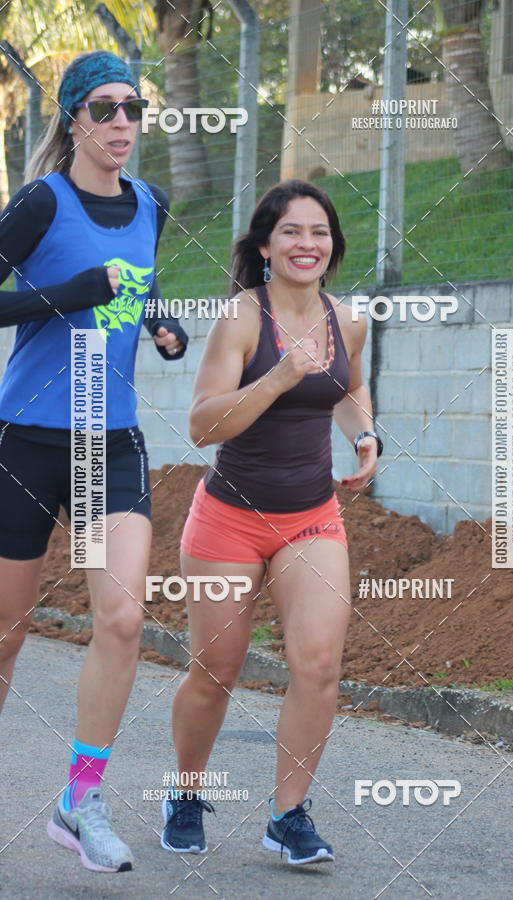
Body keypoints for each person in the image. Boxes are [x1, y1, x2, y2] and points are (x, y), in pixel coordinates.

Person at [0, 50, 188, 872]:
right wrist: (64, 296)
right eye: (105, 109)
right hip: (29, 438)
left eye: (133, 110)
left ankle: (80, 797)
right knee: (7, 633)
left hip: (110, 438)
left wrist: (160, 326)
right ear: (73, 117)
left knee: (121, 618)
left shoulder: (152, 201)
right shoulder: (40, 201)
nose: (122, 124)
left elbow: (135, 286)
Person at [162, 179, 382, 865]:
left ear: (333, 247)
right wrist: (281, 377)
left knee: (317, 665)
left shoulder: (348, 320)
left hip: (312, 517)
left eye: (319, 233)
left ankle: (288, 815)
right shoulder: (242, 320)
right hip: (229, 519)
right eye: (291, 231)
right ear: (265, 245)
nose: (307, 244)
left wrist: (367, 434)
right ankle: (187, 792)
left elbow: (347, 387)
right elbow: (202, 425)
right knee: (216, 671)